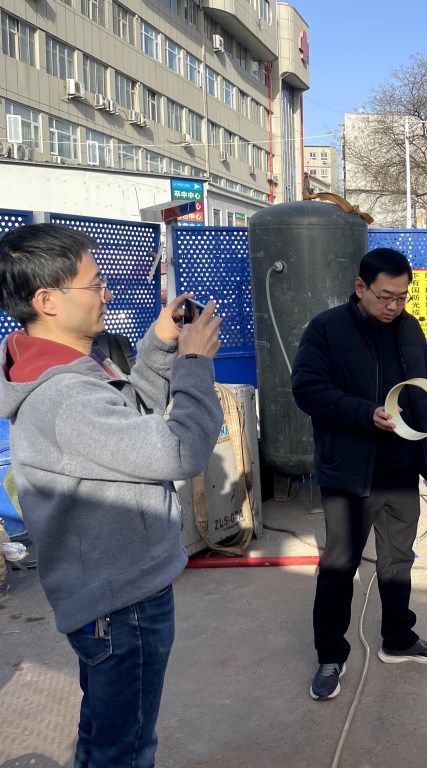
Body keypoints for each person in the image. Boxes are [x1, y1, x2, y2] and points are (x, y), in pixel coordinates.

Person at [0, 223, 223, 767]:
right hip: (122, 606)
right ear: (47, 300)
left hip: (112, 597)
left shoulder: (75, 367)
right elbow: (178, 452)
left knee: (104, 736)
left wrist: (161, 346)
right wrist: (195, 364)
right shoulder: (67, 397)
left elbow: (136, 425)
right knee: (125, 750)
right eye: (96, 284)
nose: (108, 294)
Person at [291, 246, 427, 702]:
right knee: (340, 566)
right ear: (361, 287)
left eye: (402, 297)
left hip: (401, 469)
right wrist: (366, 413)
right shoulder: (327, 329)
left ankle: (398, 638)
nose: (394, 306)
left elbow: (424, 381)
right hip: (351, 474)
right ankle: (330, 655)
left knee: (399, 562)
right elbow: (308, 390)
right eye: (385, 296)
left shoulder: (409, 328)